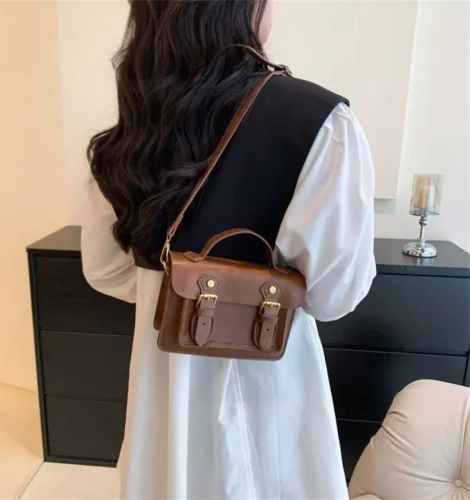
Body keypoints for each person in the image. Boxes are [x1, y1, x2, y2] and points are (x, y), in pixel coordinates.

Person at [81, 0, 376, 498]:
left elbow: (104, 270)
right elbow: (334, 296)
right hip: (269, 386)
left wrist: (176, 290)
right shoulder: (318, 122)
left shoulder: (134, 126)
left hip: (162, 392)